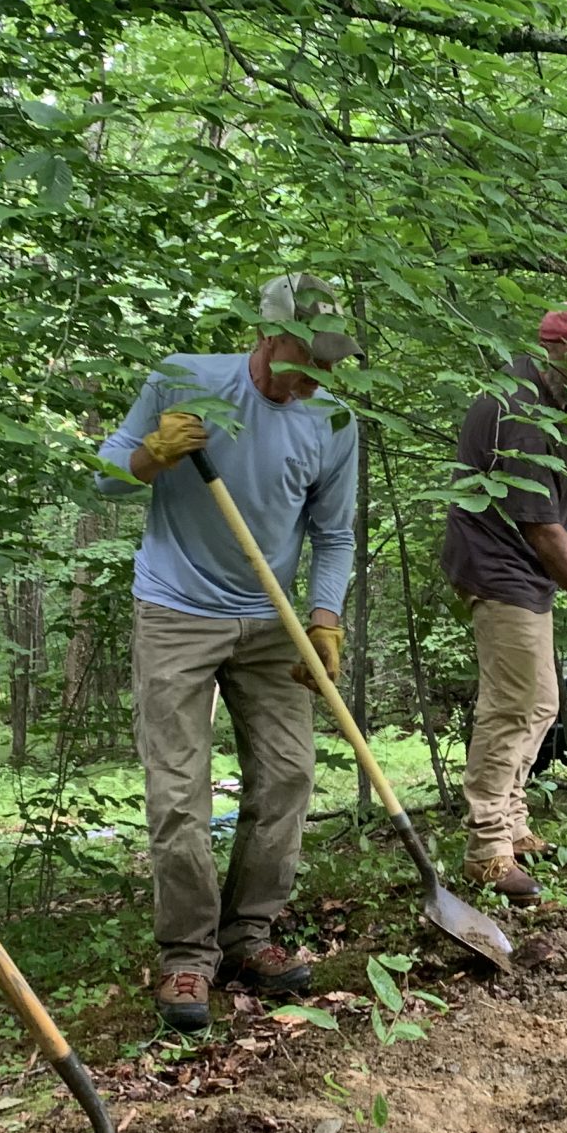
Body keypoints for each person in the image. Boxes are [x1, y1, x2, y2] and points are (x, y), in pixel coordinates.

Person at [96, 274, 359, 1028]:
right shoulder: (184, 380)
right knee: (178, 792)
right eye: (301, 361)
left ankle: (249, 933)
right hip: (175, 610)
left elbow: (333, 534)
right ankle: (187, 956)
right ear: (266, 336)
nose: (312, 379)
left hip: (273, 615)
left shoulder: (334, 420)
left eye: (327, 366)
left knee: (288, 774)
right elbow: (102, 477)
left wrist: (324, 619)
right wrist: (149, 455)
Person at [438, 304, 567, 906]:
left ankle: (511, 824)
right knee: (516, 702)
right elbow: (542, 528)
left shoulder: (552, 395)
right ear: (561, 351)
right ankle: (487, 849)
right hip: (500, 564)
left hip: (519, 570)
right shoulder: (525, 410)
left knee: (539, 700)